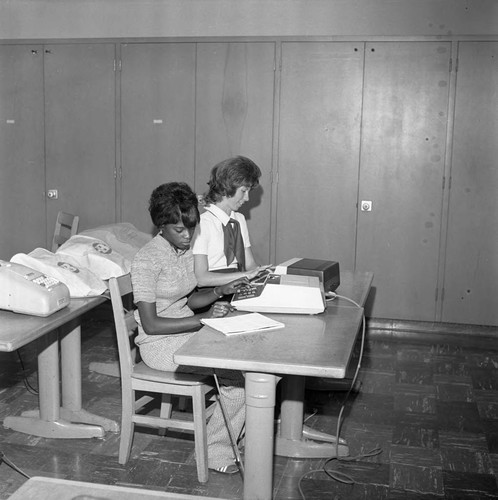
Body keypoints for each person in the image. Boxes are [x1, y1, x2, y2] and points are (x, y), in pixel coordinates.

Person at [131, 182, 248, 474]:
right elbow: (151, 324)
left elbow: (189, 298)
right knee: (239, 381)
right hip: (158, 346)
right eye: (179, 230)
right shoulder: (146, 259)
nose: (187, 237)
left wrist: (221, 291)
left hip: (186, 333)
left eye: (191, 229)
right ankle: (214, 451)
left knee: (245, 356)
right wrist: (203, 319)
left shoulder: (181, 251)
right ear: (161, 226)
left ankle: (224, 430)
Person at [192, 155, 270, 287]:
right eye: (244, 191)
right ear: (227, 187)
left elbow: (249, 264)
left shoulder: (239, 219)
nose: (247, 198)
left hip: (236, 283)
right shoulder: (203, 222)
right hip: (210, 292)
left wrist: (262, 274)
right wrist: (243, 276)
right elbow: (201, 278)